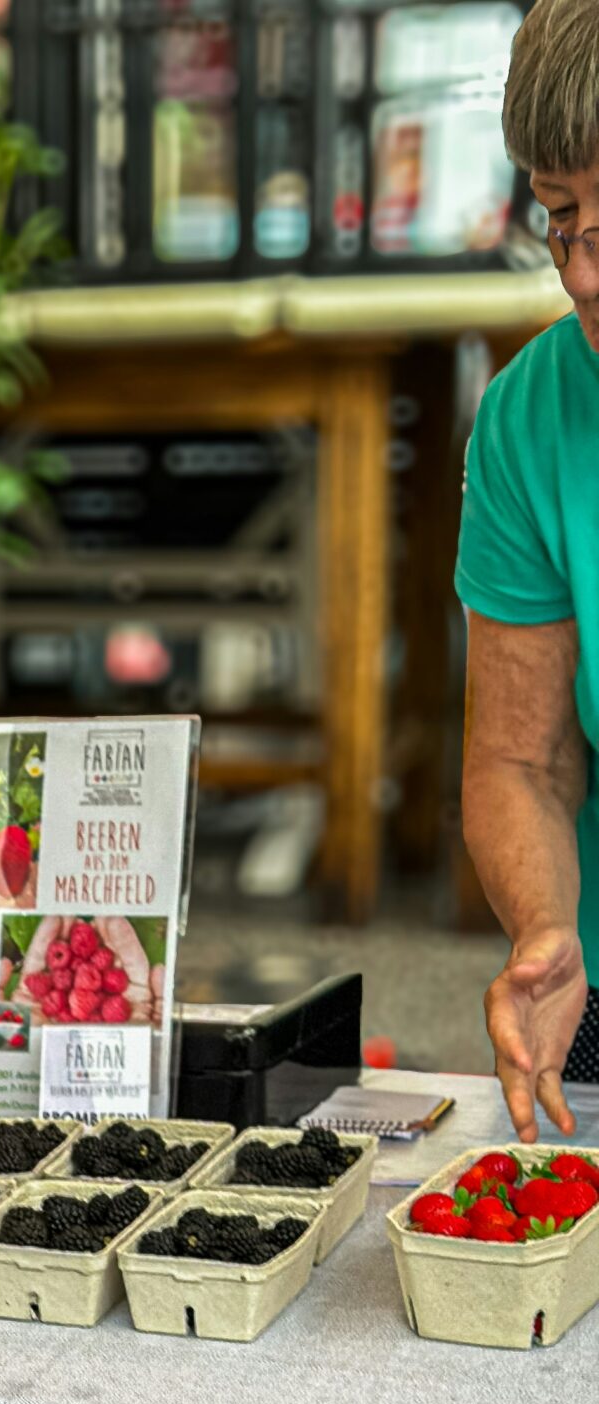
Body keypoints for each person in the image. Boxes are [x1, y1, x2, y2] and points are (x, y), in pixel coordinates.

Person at [458, 0, 599, 1139]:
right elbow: (523, 761)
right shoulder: (525, 419)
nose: (585, 274)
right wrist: (549, 926)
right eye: (563, 218)